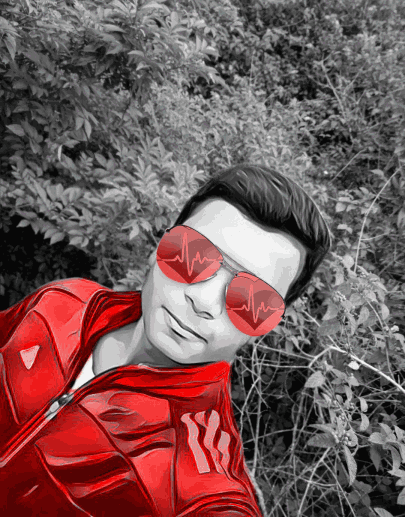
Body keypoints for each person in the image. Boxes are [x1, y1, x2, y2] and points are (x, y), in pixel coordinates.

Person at [0, 164, 331, 516]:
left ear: (266, 325)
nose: (204, 301)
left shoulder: (197, 481)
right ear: (159, 246)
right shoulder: (60, 303)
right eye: (192, 254)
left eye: (252, 299)